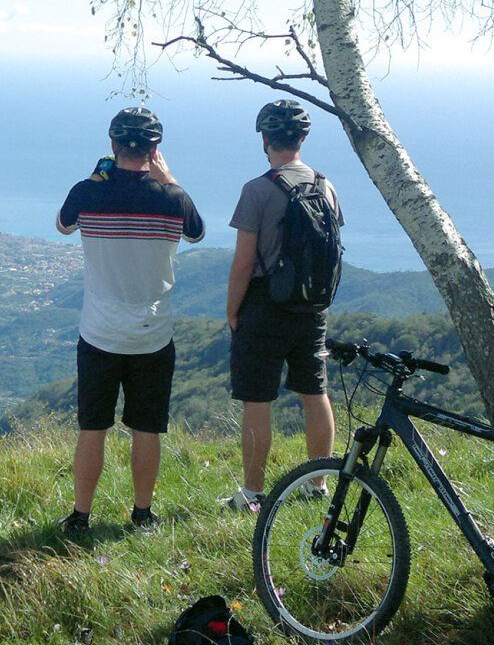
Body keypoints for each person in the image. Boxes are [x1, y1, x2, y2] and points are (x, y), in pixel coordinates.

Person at [55, 106, 204, 534]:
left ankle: (80, 516)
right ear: (155, 150)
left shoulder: (87, 192)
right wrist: (169, 180)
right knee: (147, 428)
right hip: (152, 335)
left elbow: (63, 225)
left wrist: (97, 177)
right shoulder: (172, 199)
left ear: (112, 144)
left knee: (92, 428)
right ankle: (142, 514)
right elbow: (196, 233)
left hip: (99, 332)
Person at [220, 100, 345, 510]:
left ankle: (254, 493)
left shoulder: (257, 190)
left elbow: (244, 261)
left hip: (264, 305)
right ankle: (317, 486)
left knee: (258, 399)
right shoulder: (326, 186)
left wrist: (233, 310)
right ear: (302, 138)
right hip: (312, 307)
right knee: (315, 392)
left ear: (265, 139)